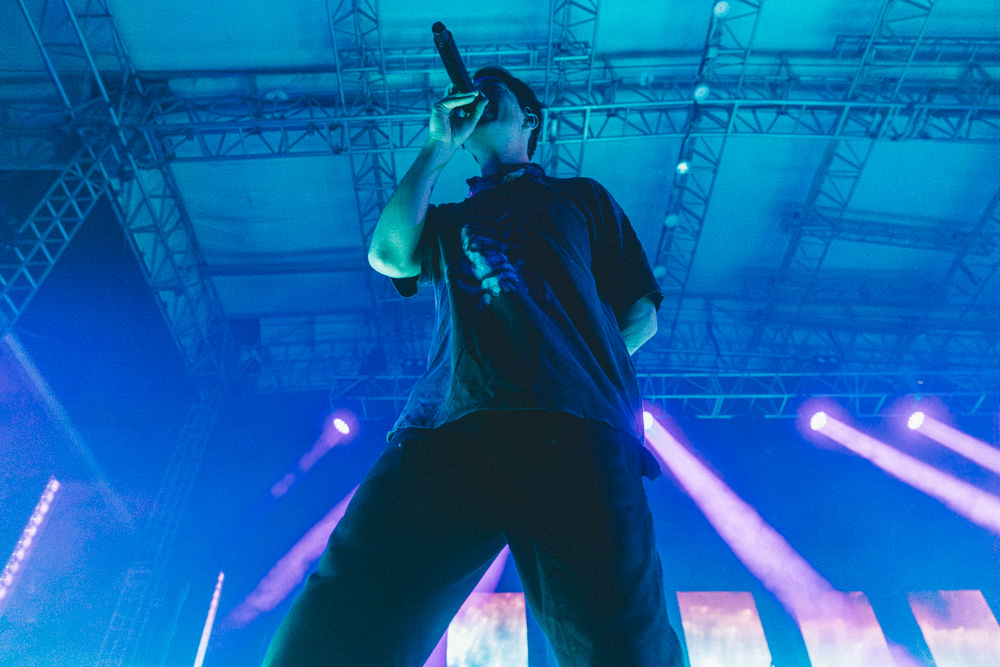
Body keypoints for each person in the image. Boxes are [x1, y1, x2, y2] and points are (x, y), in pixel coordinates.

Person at [263, 67, 684, 666]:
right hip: (447, 426)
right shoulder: (452, 221)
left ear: (530, 121)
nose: (480, 94)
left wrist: (580, 367)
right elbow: (387, 254)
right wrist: (439, 143)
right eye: (474, 88)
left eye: (496, 92)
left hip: (575, 431)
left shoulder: (581, 198)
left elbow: (641, 312)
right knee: (336, 631)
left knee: (621, 646)